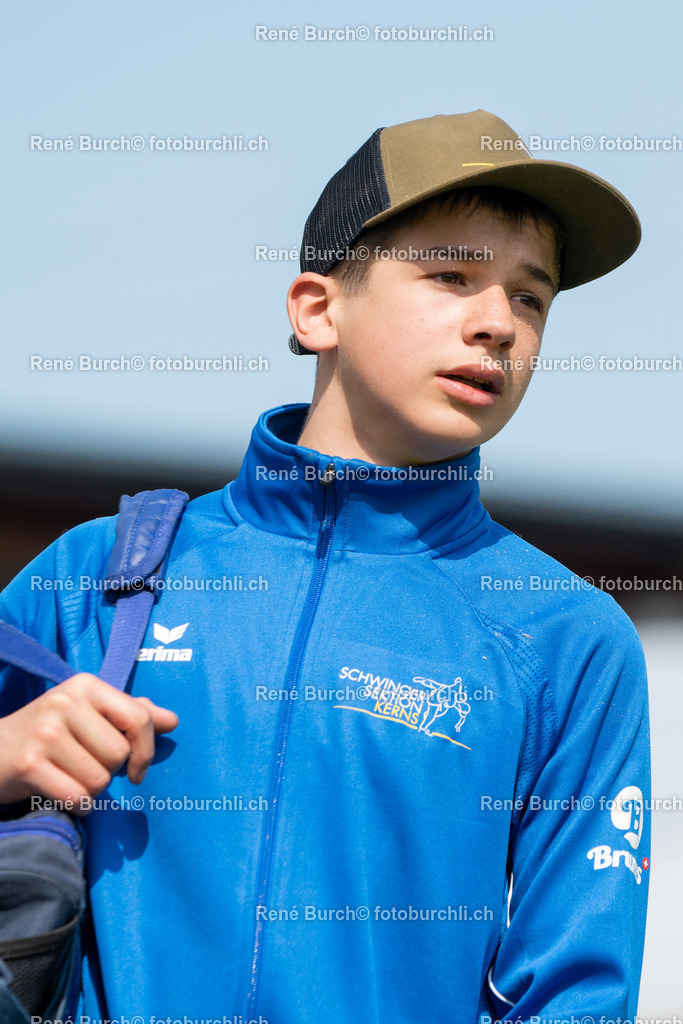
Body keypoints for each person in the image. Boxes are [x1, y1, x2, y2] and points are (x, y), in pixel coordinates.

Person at [0, 110, 650, 1022]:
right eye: (451, 276)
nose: (497, 324)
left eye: (530, 298)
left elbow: (576, 995)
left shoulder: (566, 636)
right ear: (317, 310)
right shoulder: (94, 574)